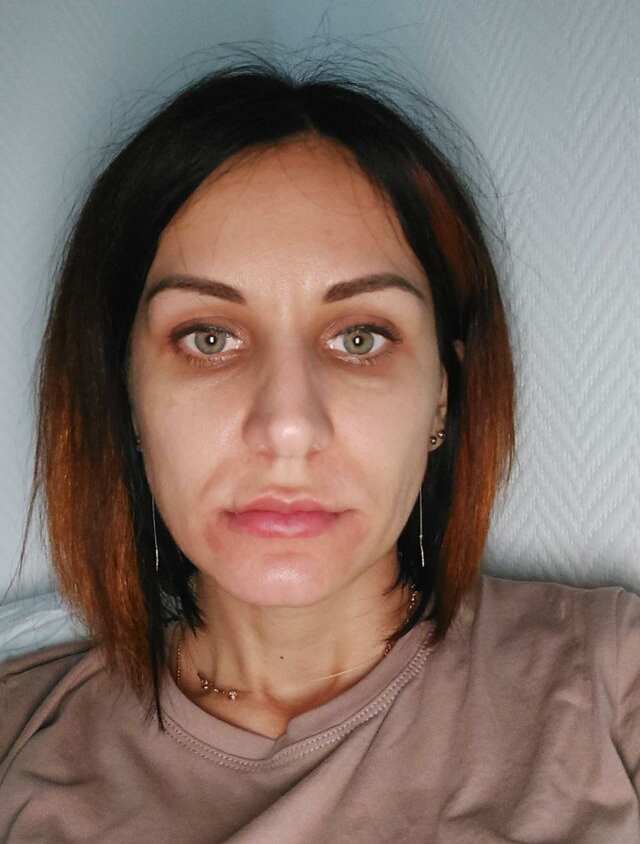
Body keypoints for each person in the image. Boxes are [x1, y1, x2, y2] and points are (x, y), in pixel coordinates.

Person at [0, 54, 638, 843]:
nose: (288, 426)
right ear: (125, 393)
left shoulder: (609, 681)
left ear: (443, 394)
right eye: (209, 337)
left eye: (359, 338)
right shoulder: (21, 736)